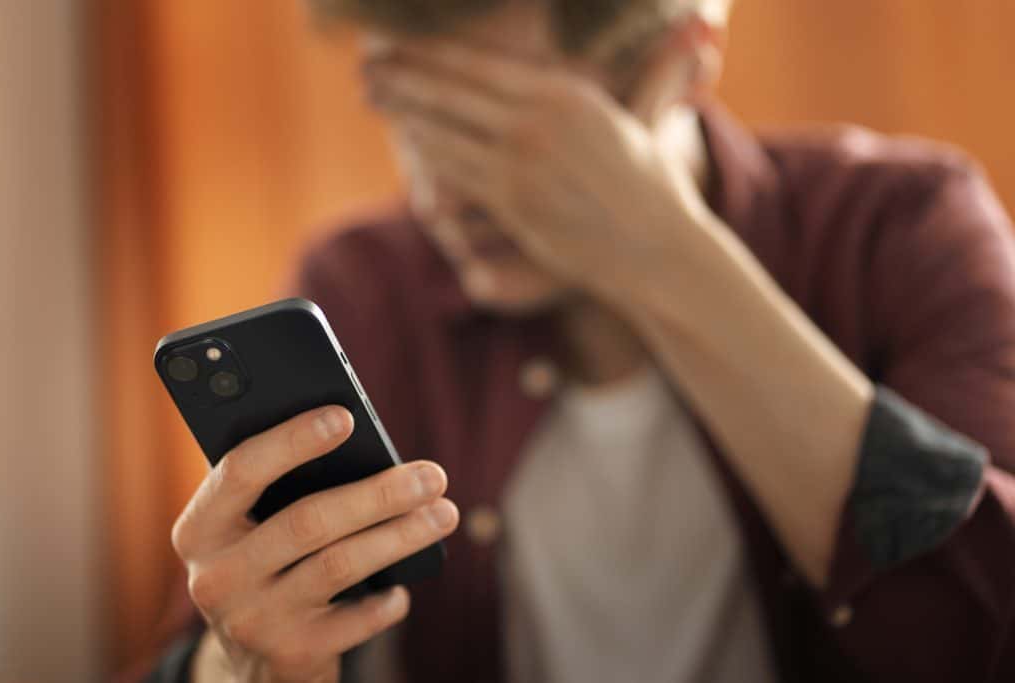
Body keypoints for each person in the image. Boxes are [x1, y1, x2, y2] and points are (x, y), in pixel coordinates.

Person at [136, 0, 1015, 681]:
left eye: (490, 129)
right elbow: (217, 647)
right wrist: (243, 659)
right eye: (406, 117)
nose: (439, 192)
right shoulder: (366, 290)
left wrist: (660, 251)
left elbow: (986, 632)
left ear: (680, 64)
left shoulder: (904, 229)